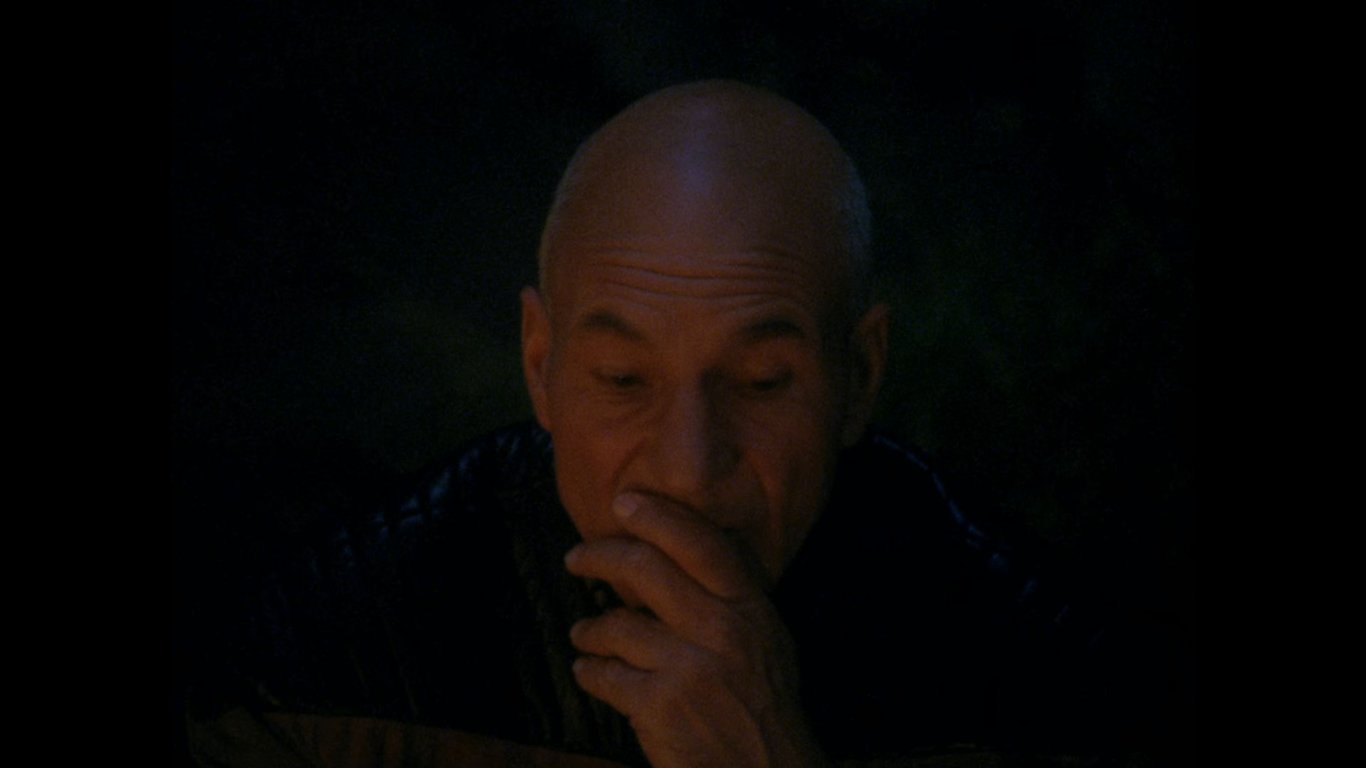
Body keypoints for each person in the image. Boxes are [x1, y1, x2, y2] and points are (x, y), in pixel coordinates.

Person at [185, 81, 1174, 767]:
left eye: (763, 383)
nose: (690, 469)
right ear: (539, 365)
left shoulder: (1059, 689)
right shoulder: (309, 675)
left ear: (858, 378)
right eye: (623, 379)